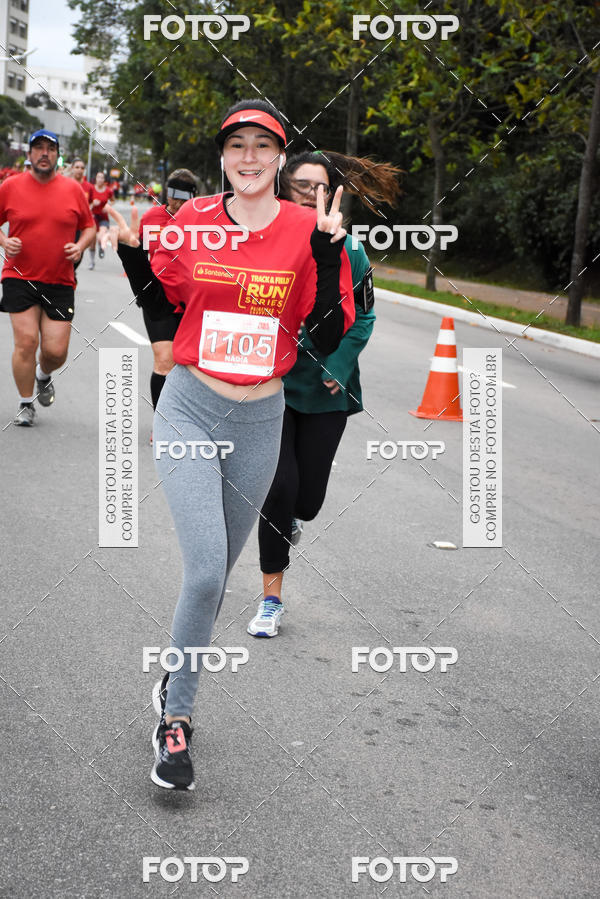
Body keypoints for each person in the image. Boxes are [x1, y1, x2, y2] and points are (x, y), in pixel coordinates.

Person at [110, 98, 355, 791]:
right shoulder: (193, 220)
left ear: (280, 158)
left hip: (260, 419)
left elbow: (327, 332)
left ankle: (173, 677)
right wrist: (132, 257)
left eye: (262, 145)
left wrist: (328, 254)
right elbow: (164, 300)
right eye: (237, 145)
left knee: (215, 575)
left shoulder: (309, 229)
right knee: (205, 571)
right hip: (190, 407)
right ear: (223, 156)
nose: (249, 157)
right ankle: (176, 720)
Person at [247, 150, 401, 637]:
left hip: (324, 387)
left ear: (333, 195)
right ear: (283, 188)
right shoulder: (265, 242)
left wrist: (339, 362)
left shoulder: (351, 250)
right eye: (300, 187)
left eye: (320, 189)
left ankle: (292, 518)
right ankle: (271, 600)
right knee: (278, 487)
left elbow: (366, 316)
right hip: (271, 385)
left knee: (306, 501)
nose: (310, 197)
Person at [0, 129, 95, 426]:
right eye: (38, 148)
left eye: (50, 149)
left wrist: (80, 247)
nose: (44, 153)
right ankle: (25, 403)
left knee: (55, 352)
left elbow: (89, 227)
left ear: (57, 156)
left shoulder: (72, 190)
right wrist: (4, 241)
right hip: (19, 276)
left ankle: (43, 374)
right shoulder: (10, 186)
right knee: (26, 342)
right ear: (29, 154)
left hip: (59, 279)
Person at [137, 168, 198, 411]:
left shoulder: (202, 221)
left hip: (191, 301)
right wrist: (142, 289)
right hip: (158, 298)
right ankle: (161, 422)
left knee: (187, 365)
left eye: (184, 197)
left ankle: (183, 415)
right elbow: (140, 256)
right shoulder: (151, 218)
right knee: (164, 360)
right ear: (166, 193)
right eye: (174, 195)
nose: (178, 202)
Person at [88, 171, 114, 269]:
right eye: (98, 177)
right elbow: (86, 205)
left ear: (104, 180)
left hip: (103, 217)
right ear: (95, 179)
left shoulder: (108, 191)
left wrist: (108, 206)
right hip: (93, 217)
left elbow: (113, 200)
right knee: (92, 241)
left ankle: (101, 246)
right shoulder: (91, 189)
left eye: (102, 177)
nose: (100, 179)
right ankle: (92, 262)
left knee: (100, 237)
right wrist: (93, 204)